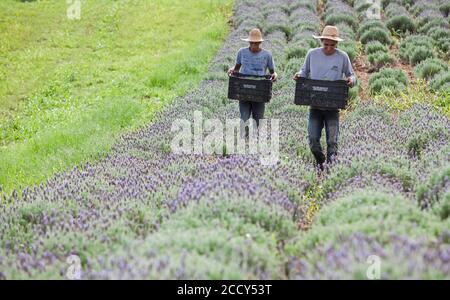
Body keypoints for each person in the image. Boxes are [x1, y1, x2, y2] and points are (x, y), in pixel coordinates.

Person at [293, 25, 357, 171]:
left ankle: (330, 171)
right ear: (321, 41)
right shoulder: (312, 54)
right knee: (313, 140)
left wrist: (351, 81)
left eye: (332, 45)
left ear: (336, 44)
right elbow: (304, 71)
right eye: (325, 44)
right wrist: (298, 75)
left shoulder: (342, 57)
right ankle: (321, 162)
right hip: (315, 105)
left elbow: (352, 75)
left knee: (332, 141)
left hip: (332, 106)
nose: (328, 48)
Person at [228, 28, 278, 138]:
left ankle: (255, 141)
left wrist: (275, 75)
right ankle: (245, 141)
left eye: (256, 43)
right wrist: (231, 71)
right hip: (244, 91)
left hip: (259, 92)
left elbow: (272, 72)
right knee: (244, 118)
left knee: (258, 120)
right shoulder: (242, 52)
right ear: (249, 42)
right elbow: (236, 69)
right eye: (252, 43)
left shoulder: (267, 55)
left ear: (260, 43)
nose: (254, 45)